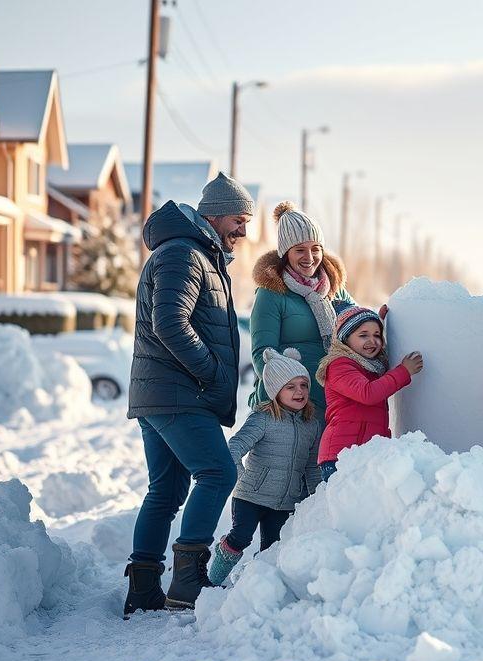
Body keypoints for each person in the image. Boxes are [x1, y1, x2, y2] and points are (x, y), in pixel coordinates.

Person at [124, 172, 253, 616]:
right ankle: (188, 581)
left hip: (163, 393)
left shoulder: (196, 254)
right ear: (215, 216)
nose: (243, 230)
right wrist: (212, 371)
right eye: (239, 219)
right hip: (178, 393)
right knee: (219, 473)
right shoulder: (184, 254)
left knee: (166, 490)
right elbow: (170, 324)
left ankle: (143, 589)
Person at [206, 347, 322, 585]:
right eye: (291, 387)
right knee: (240, 538)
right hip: (251, 496)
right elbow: (234, 448)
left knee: (273, 548)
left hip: (285, 501)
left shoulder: (312, 424)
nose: (299, 391)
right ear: (275, 391)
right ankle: (213, 581)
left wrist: (316, 497)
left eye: (303, 385)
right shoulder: (263, 418)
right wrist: (241, 477)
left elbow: (312, 466)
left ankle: (258, 588)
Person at [249, 201, 354, 414]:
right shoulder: (271, 293)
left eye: (316, 249)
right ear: (285, 253)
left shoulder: (334, 288)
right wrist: (291, 394)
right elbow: (262, 355)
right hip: (294, 406)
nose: (309, 257)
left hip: (333, 398)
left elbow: (357, 324)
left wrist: (377, 320)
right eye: (300, 250)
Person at [315, 307, 423, 481]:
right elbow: (368, 393)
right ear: (345, 339)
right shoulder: (339, 365)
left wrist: (382, 322)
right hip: (341, 457)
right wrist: (404, 371)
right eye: (363, 335)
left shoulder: (369, 366)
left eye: (377, 335)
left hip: (363, 453)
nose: (372, 341)